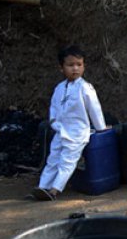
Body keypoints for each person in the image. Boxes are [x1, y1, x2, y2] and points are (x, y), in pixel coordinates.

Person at [32, 45, 107, 201]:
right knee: (53, 160)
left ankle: (54, 190)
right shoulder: (59, 88)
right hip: (60, 131)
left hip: (77, 133)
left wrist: (101, 127)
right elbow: (54, 108)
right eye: (70, 65)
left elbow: (94, 108)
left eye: (79, 65)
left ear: (84, 66)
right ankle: (42, 186)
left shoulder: (85, 88)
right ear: (61, 68)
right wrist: (54, 123)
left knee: (67, 161)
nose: (75, 69)